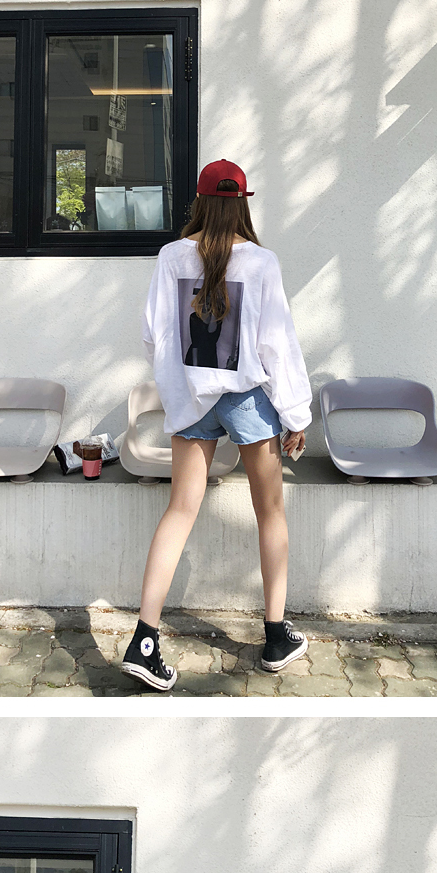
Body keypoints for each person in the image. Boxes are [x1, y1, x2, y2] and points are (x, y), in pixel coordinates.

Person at [122, 160, 313, 693]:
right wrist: (296, 414)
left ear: (200, 201)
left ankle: (143, 641)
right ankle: (275, 637)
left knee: (180, 510)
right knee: (270, 511)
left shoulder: (171, 256)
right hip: (247, 396)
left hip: (192, 397)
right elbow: (277, 344)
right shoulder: (262, 262)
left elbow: (153, 334)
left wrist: (181, 385)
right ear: (242, 203)